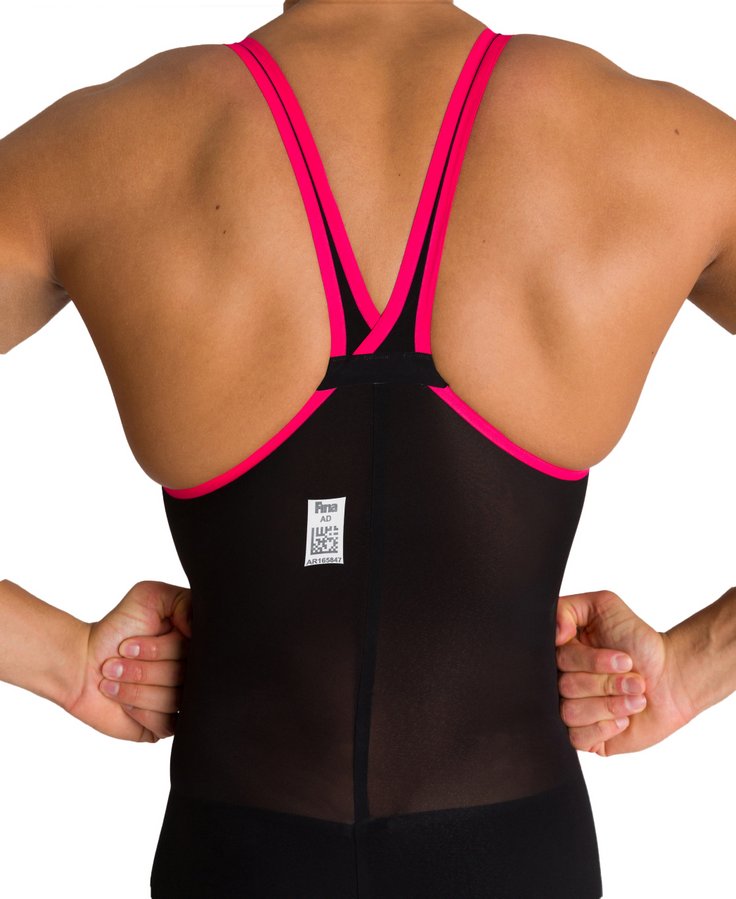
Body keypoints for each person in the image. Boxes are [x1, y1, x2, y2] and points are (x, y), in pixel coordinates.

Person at [1, 0, 734, 896]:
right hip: (519, 854)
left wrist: (64, 658)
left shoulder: (107, 147)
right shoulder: (653, 147)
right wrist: (698, 665)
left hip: (232, 856)